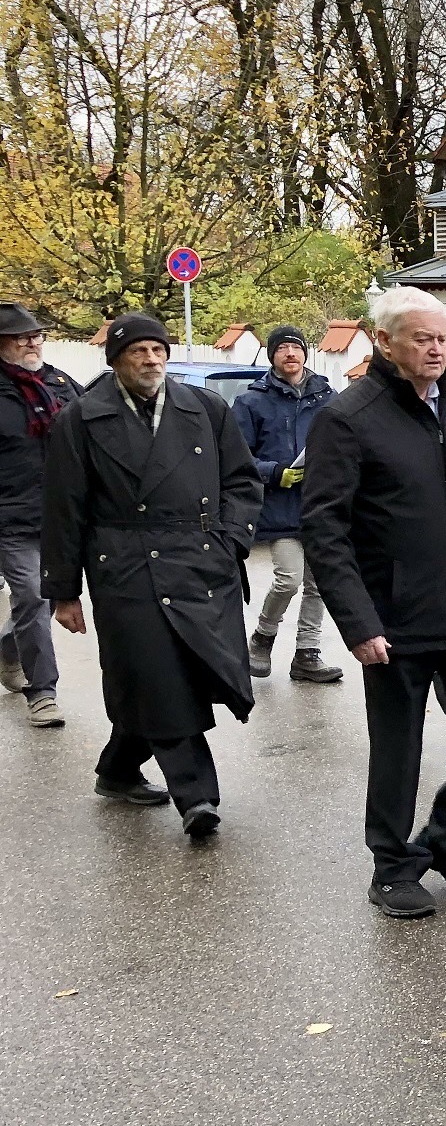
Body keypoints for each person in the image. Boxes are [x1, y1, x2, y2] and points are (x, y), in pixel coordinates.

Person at [301, 286, 446, 919]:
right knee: (398, 746)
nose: (435, 349)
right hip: (393, 617)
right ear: (386, 342)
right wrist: (357, 622)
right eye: (421, 339)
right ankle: (393, 866)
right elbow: (325, 527)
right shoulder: (349, 417)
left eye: (442, 339)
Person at [40, 313, 263, 834]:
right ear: (116, 359)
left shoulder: (205, 408)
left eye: (158, 349)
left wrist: (230, 540)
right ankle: (197, 797)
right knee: (159, 673)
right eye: (139, 351)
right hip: (125, 562)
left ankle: (118, 768)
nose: (151, 359)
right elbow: (64, 508)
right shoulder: (81, 418)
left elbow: (242, 481)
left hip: (201, 560)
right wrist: (63, 591)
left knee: (172, 673)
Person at [232, 325, 342, 684]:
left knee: (320, 583)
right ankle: (262, 638)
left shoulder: (329, 397)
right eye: (282, 349)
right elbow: (236, 456)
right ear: (272, 356)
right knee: (289, 579)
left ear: (305, 354)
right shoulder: (252, 402)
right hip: (279, 508)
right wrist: (275, 473)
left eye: (296, 347)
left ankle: (307, 654)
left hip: (322, 505)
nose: (290, 354)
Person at [0, 303, 82, 727]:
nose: (33, 342)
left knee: (43, 598)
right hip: (13, 518)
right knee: (33, 596)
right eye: (20, 337)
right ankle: (43, 692)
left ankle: (9, 649)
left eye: (37, 335)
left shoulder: (62, 385)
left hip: (64, 514)